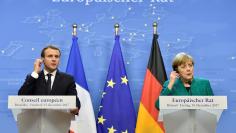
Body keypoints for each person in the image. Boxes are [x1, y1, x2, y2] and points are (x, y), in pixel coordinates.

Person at [18, 45, 80, 115]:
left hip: (59, 122)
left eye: (56, 56)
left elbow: (74, 100)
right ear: (42, 59)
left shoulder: (68, 79)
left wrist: (75, 107)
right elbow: (21, 97)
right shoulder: (33, 77)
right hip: (36, 122)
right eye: (50, 56)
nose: (54, 59)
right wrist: (35, 72)